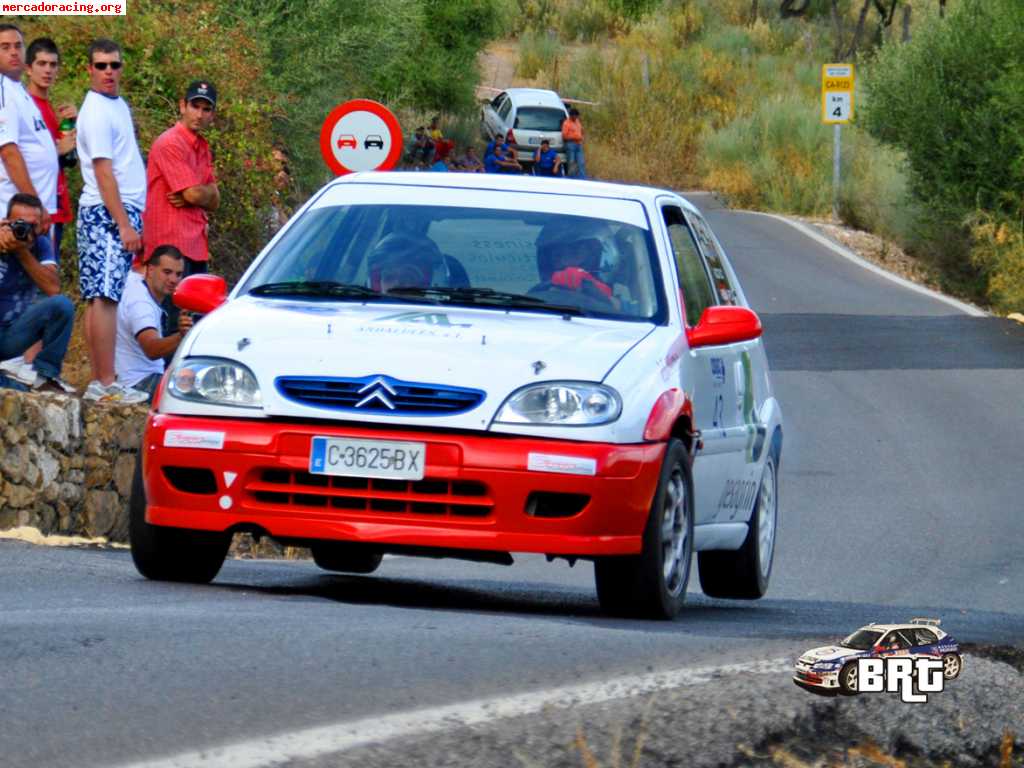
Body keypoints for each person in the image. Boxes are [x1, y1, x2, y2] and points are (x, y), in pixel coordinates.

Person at [76, 38, 148, 403]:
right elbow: (103, 171)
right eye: (101, 65)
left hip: (120, 210)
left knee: (103, 295)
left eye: (114, 65)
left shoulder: (116, 104)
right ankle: (104, 383)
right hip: (107, 213)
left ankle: (104, 379)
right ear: (89, 69)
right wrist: (122, 223)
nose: (108, 72)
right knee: (104, 297)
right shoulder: (97, 112)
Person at [142, 80, 219, 278]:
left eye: (206, 109)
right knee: (169, 309)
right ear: (182, 106)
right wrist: (202, 193)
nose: (199, 114)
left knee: (195, 308)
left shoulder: (203, 147)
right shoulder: (170, 142)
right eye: (195, 106)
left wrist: (203, 193)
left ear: (213, 115)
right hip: (169, 254)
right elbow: (193, 194)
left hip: (195, 247)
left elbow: (215, 200)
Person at [0, 193, 74, 392]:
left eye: (33, 226)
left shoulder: (40, 244)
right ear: (6, 222)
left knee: (61, 305)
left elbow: (53, 288)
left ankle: (45, 376)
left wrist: (22, 251)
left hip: (11, 334)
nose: (27, 231)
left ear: (42, 225)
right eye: (20, 224)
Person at [114, 244, 191, 400]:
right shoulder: (142, 304)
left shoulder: (133, 281)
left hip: (130, 378)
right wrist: (182, 336)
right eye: (167, 272)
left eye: (178, 274)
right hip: (139, 384)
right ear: (150, 270)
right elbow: (151, 349)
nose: (173, 280)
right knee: (200, 389)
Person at [0, 24, 57, 232]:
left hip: (37, 210)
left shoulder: (18, 90)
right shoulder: (2, 92)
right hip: (17, 213)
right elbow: (8, 152)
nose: (14, 52)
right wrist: (36, 207)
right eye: (5, 47)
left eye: (18, 46)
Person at [24, 37, 76, 258]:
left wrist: (75, 125)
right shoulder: (25, 106)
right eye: (41, 64)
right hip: (36, 208)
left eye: (53, 65)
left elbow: (68, 160)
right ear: (28, 68)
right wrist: (57, 150)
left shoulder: (51, 110)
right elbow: (15, 158)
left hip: (56, 203)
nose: (48, 70)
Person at [561, 107, 586, 179]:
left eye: (577, 116)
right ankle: (572, 178)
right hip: (570, 144)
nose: (576, 117)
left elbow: (581, 130)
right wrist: (575, 137)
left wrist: (581, 135)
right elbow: (564, 136)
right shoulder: (566, 123)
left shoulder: (577, 121)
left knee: (581, 162)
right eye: (575, 116)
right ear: (571, 115)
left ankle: (582, 178)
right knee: (571, 162)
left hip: (578, 144)